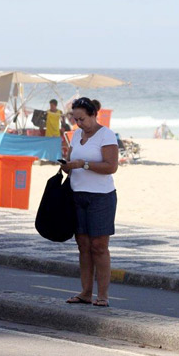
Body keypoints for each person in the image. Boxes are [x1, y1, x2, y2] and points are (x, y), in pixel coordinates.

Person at [61, 97, 119, 308]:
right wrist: (67, 166)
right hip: (78, 193)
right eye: (75, 119)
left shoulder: (106, 135)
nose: (79, 123)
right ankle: (86, 292)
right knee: (83, 245)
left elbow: (111, 166)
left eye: (82, 119)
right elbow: (71, 161)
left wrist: (83, 164)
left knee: (99, 246)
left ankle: (102, 295)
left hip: (100, 196)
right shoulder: (76, 135)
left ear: (94, 115)